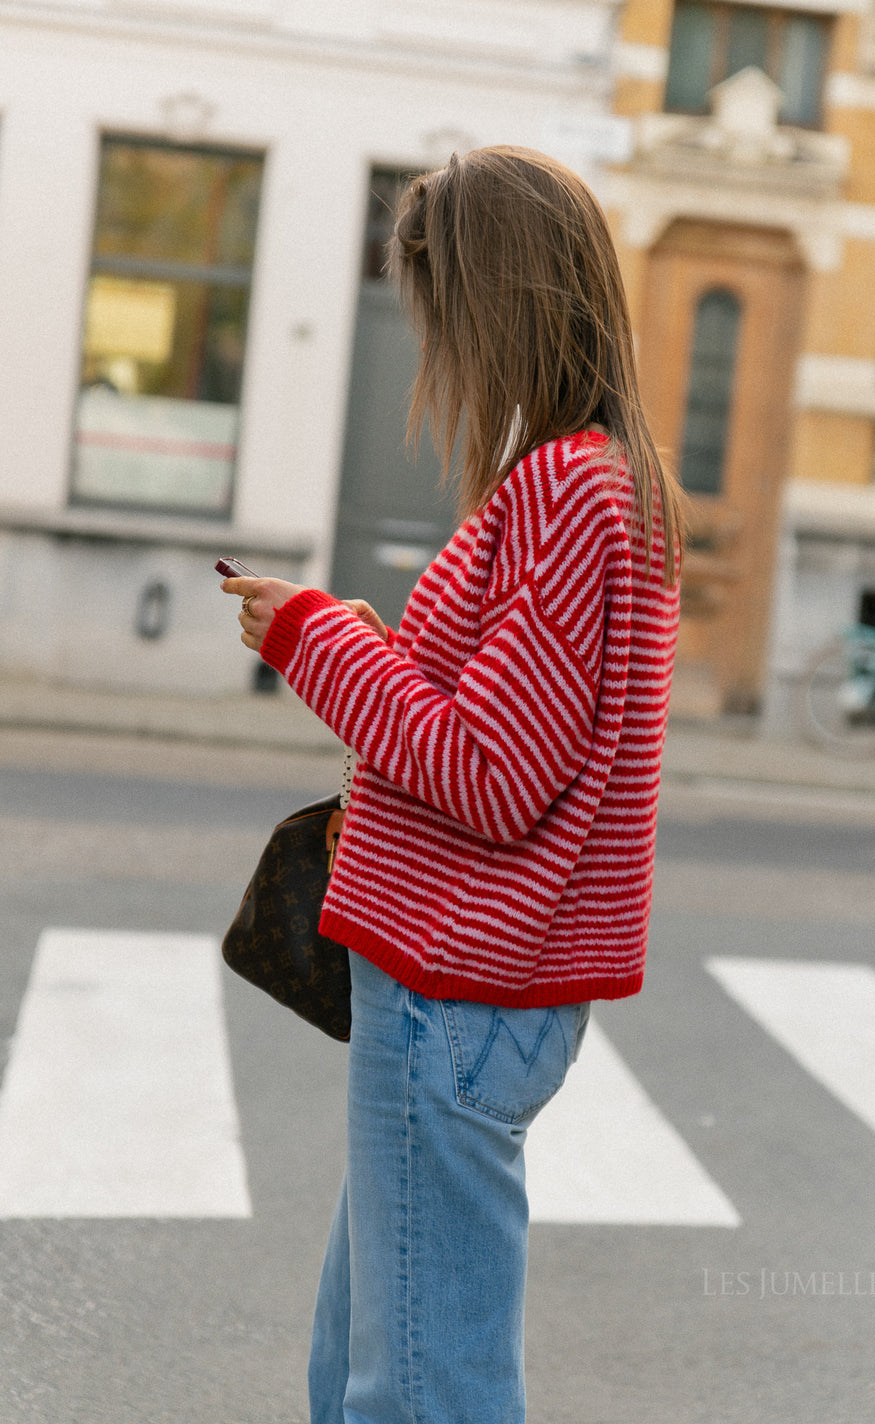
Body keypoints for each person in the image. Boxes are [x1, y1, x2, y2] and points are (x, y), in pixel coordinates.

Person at [221, 146, 686, 1424]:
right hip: (474, 989)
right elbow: (513, 726)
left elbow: (488, 774)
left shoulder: (559, 493)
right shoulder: (612, 483)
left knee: (417, 1393)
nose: (438, 353)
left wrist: (311, 640)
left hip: (453, 986)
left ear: (497, 307)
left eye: (443, 314)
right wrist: (374, 643)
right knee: (367, 1367)